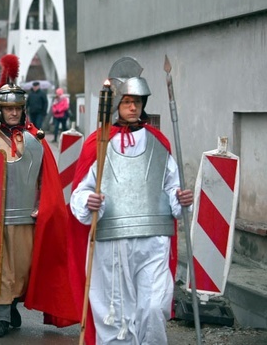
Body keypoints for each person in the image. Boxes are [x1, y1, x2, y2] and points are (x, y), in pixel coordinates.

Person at [69, 58, 193, 345]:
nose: (133, 107)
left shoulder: (159, 142)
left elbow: (172, 189)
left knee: (151, 308)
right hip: (112, 244)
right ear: (116, 105)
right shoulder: (98, 143)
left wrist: (180, 199)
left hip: (153, 241)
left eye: (137, 101)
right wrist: (89, 200)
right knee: (115, 315)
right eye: (127, 101)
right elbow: (79, 193)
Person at [0, 54, 78, 338]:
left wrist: (43, 206)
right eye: (8, 109)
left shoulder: (35, 141)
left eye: (17, 109)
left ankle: (11, 303)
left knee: (22, 269)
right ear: (0, 110)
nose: (13, 113)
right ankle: (0, 316)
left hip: (24, 217)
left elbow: (47, 181)